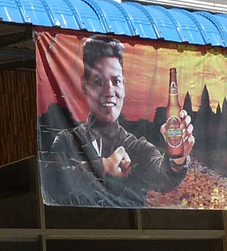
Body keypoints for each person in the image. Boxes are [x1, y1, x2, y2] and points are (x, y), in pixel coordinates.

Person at [41, 36, 193, 206]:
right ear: (84, 86)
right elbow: (50, 185)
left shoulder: (137, 148)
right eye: (99, 81)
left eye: (116, 81)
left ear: (124, 86)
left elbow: (163, 176)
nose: (109, 91)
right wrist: (103, 166)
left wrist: (178, 159)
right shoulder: (67, 141)